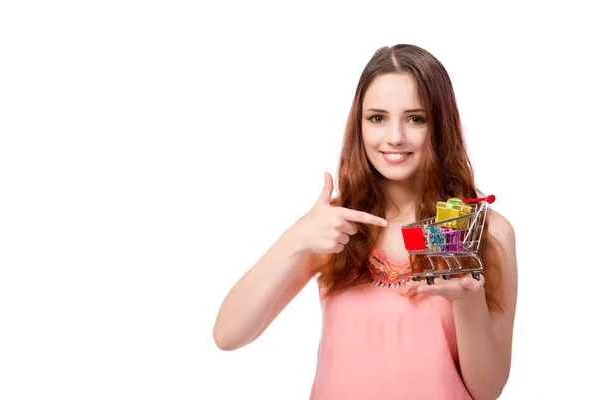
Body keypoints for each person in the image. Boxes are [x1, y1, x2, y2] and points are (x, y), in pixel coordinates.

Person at [212, 44, 518, 400]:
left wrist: (467, 301)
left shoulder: (486, 231)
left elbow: (488, 390)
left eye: (416, 118)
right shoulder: (333, 226)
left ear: (441, 124)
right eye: (377, 118)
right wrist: (294, 240)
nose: (395, 137)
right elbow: (227, 336)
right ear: (359, 125)